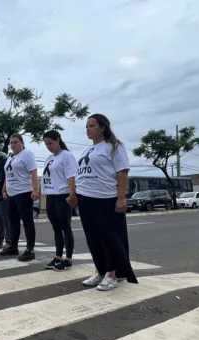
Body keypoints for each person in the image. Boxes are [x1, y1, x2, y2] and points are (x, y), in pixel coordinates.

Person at [74, 113, 138, 291]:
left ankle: (112, 274)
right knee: (93, 239)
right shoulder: (87, 151)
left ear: (103, 127)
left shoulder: (114, 146)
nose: (88, 129)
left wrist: (121, 197)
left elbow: (122, 172)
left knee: (108, 238)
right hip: (86, 199)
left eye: (92, 125)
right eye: (86, 126)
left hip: (105, 198)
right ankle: (101, 270)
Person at [41, 130, 77, 271]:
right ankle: (58, 257)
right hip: (51, 196)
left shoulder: (67, 156)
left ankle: (68, 259)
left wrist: (72, 194)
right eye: (46, 144)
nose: (48, 146)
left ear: (58, 140)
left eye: (50, 143)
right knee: (56, 228)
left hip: (63, 196)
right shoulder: (49, 158)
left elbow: (71, 176)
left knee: (65, 227)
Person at [1, 135, 39, 261]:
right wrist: (4, 188)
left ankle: (30, 250)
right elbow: (7, 174)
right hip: (11, 194)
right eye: (11, 143)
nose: (13, 145)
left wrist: (35, 190)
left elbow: (33, 172)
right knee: (13, 222)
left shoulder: (26, 154)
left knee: (27, 222)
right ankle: (13, 246)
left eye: (16, 142)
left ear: (22, 143)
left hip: (23, 192)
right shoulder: (11, 157)